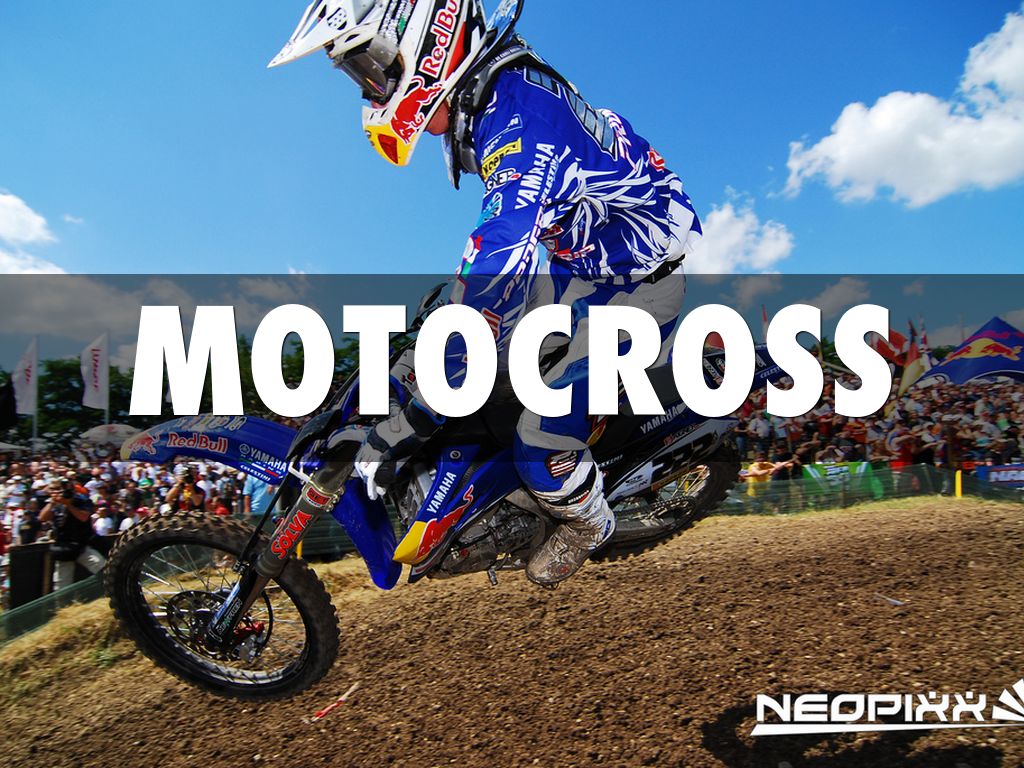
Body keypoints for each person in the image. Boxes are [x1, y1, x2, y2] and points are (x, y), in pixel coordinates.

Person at [270, 0, 702, 586]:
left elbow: (500, 250)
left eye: (370, 66)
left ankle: (587, 524)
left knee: (539, 437)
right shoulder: (490, 95)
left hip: (638, 292)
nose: (369, 87)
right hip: (583, 272)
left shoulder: (519, 124)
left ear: (427, 43)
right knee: (442, 336)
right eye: (359, 73)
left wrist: (416, 414)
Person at [39, 479, 106, 591]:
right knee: (62, 586)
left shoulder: (81, 500)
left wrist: (68, 504)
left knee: (102, 568)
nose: (62, 493)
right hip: (64, 547)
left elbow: (84, 517)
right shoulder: (56, 503)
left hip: (82, 545)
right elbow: (42, 518)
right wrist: (52, 502)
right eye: (58, 490)